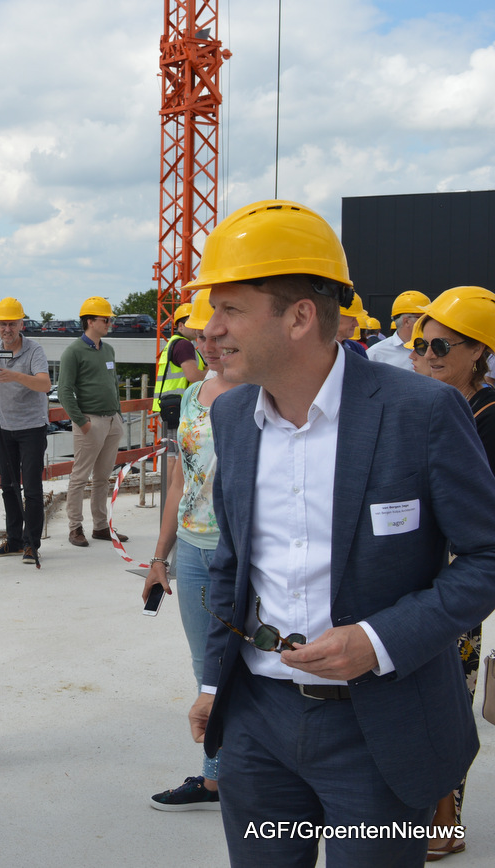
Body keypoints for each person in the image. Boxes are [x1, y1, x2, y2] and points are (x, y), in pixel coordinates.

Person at [185, 199, 495, 867]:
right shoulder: (233, 417)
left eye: (230, 309)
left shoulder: (422, 412)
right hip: (257, 728)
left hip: (381, 730)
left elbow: (487, 556)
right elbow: (231, 564)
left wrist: (378, 641)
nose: (209, 330)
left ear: (300, 317)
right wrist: (214, 684)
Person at [407, 285, 495, 860]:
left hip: (457, 582)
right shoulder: (423, 403)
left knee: (447, 701)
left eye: (442, 346)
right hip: (415, 573)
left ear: (478, 352)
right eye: (421, 345)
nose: (428, 355)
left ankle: (445, 819)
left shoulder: (489, 416)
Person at [142, 289, 236, 812]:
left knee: (240, 666)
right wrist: (160, 557)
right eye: (199, 337)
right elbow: (181, 477)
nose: (209, 344)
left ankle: (236, 774)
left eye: (214, 333)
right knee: (206, 666)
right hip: (194, 551)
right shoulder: (194, 395)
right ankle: (217, 777)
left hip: (236, 553)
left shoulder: (258, 393)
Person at [0, 296, 51, 566]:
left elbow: (44, 384)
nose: (7, 329)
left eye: (12, 324)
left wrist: (15, 376)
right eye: (2, 324)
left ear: (22, 324)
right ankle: (13, 540)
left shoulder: (34, 351)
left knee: (31, 489)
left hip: (32, 427)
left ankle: (31, 544)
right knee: (8, 487)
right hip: (4, 427)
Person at [58, 296, 128, 547]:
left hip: (111, 421)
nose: (109, 323)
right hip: (90, 422)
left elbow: (112, 384)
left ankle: (100, 527)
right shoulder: (73, 352)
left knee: (102, 477)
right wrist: (82, 421)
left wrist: (118, 414)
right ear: (90, 321)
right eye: (105, 319)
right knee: (80, 477)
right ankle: (75, 527)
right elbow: (64, 391)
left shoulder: (108, 350)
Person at [151, 301, 206, 431]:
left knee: (171, 444)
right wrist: (211, 373)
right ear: (180, 325)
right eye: (191, 322)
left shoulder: (174, 343)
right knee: (180, 443)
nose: (196, 326)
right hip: (180, 408)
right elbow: (193, 376)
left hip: (170, 406)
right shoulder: (183, 345)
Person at [367, 290, 430, 370]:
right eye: (423, 318)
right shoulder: (375, 354)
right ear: (406, 321)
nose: (429, 322)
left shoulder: (433, 349)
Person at [337, 292, 369, 357]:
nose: (356, 324)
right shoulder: (315, 350)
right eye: (352, 318)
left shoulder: (357, 349)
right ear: (335, 317)